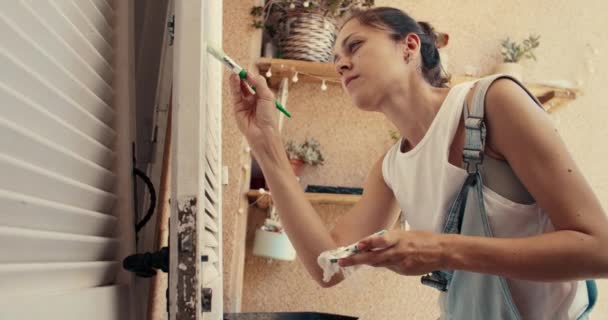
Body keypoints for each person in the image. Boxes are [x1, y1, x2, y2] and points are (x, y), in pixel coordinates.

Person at [229, 6, 608, 319]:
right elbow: (328, 265)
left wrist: (442, 250)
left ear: (408, 46)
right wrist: (266, 144)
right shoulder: (391, 169)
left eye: (354, 46)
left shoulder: (493, 103)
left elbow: (599, 249)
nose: (341, 64)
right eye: (335, 58)